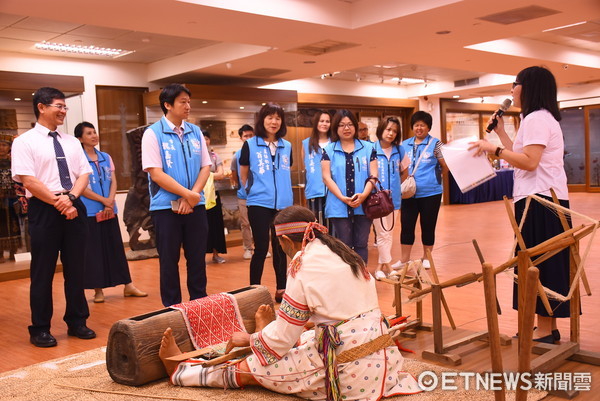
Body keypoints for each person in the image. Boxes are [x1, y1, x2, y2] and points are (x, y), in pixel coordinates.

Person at [158, 205, 420, 400]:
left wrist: (249, 340)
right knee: (303, 339)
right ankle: (266, 328)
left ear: (283, 240)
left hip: (350, 373)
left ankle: (180, 372)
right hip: (384, 358)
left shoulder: (302, 266)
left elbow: (282, 340)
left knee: (254, 368)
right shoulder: (342, 252)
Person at [468, 66, 569, 344]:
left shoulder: (537, 118)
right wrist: (501, 136)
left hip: (541, 201)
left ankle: (547, 331)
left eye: (515, 83)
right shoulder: (535, 117)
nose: (512, 90)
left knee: (540, 265)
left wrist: (494, 150)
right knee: (538, 264)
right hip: (540, 198)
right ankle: (547, 328)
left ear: (528, 87)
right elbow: (523, 157)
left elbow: (530, 162)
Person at [12, 87, 95, 347]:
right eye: (59, 106)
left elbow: (83, 174)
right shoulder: (24, 141)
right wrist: (59, 202)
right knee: (43, 270)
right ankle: (40, 328)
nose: (63, 111)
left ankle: (77, 321)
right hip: (44, 209)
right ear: (41, 107)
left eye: (65, 107)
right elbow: (28, 180)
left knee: (76, 269)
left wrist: (70, 199)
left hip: (73, 205)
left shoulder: (71, 141)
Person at [141, 84, 211, 307]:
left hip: (195, 206)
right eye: (183, 102)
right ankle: (172, 310)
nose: (188, 106)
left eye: (189, 101)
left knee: (198, 260)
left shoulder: (195, 131)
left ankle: (199, 307)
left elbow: (205, 167)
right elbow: (156, 173)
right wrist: (187, 195)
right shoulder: (152, 134)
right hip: (165, 209)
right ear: (167, 105)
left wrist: (193, 196)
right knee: (169, 263)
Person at [74, 122, 147, 303]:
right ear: (80, 139)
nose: (94, 135)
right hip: (90, 213)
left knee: (116, 249)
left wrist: (109, 202)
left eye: (94, 132)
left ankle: (128, 285)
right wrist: (103, 200)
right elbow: (80, 187)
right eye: (89, 133)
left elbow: (113, 181)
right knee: (94, 251)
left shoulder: (105, 156)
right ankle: (98, 290)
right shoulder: (77, 159)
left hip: (109, 210)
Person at [239, 103, 293, 303]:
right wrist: (250, 192)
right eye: (269, 117)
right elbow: (243, 174)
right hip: (259, 203)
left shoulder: (287, 146)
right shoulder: (250, 145)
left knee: (281, 248)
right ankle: (254, 290)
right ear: (262, 120)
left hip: (283, 204)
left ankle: (282, 288)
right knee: (261, 247)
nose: (274, 122)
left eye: (278, 118)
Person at [321, 109, 377, 263]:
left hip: (364, 204)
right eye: (341, 125)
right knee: (344, 244)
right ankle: (347, 280)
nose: (346, 128)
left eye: (350, 124)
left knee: (361, 244)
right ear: (335, 128)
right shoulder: (328, 150)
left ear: (355, 126)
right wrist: (342, 198)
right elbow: (326, 177)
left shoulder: (368, 148)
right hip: (338, 204)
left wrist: (364, 195)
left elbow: (373, 176)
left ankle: (361, 278)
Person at [396, 111, 448, 270]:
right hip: (407, 193)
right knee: (407, 225)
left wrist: (433, 178)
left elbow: (445, 166)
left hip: (431, 193)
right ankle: (404, 259)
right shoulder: (404, 144)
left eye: (422, 125)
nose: (419, 128)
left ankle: (427, 257)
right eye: (416, 125)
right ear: (412, 127)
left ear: (428, 127)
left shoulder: (436, 143)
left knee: (428, 225)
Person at [372, 117, 407, 279]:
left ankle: (380, 267)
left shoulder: (399, 150)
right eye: (388, 129)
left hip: (395, 199)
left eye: (394, 131)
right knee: (381, 233)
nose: (391, 133)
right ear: (381, 130)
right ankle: (388, 266)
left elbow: (405, 171)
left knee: (389, 233)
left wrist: (396, 187)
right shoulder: (371, 149)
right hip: (377, 199)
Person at [301, 110, 331, 229]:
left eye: (327, 121)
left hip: (333, 191)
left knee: (332, 226)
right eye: (321, 121)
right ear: (316, 123)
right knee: (316, 226)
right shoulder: (306, 143)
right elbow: (305, 167)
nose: (324, 124)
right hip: (314, 191)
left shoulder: (335, 143)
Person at [230, 124, 255, 260]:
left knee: (259, 223)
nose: (248, 138)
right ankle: (247, 248)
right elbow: (234, 174)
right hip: (243, 195)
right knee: (245, 223)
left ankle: (259, 247)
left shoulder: (259, 152)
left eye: (251, 135)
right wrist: (241, 187)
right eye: (246, 136)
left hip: (259, 195)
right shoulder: (237, 156)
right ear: (241, 138)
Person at [202, 130, 227, 264]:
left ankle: (216, 254)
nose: (205, 141)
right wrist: (212, 174)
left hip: (214, 194)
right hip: (199, 195)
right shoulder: (195, 156)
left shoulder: (215, 156)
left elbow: (221, 174)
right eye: (202, 138)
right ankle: (200, 256)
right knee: (200, 226)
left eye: (207, 138)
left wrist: (205, 175)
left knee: (216, 224)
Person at [0, 134, 20, 263]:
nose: (1, 147)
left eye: (4, 145)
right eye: (0, 145)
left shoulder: (14, 163)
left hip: (12, 199)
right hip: (0, 201)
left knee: (14, 225)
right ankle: (0, 254)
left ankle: (14, 252)